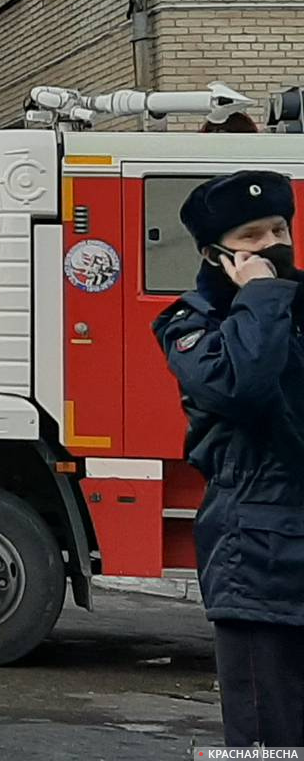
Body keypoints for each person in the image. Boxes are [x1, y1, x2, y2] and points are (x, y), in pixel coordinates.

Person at [154, 171, 304, 746]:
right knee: (266, 742)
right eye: (252, 236)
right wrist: (262, 295)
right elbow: (243, 388)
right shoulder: (191, 325)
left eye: (279, 228)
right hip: (257, 562)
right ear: (217, 254)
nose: (272, 244)